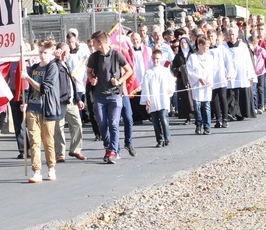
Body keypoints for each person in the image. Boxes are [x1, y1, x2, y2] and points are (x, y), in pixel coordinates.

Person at [87, 31, 132, 164]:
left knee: (113, 123)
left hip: (114, 95)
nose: (92, 45)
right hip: (99, 96)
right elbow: (89, 71)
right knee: (102, 124)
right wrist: (92, 79)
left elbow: (129, 70)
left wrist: (119, 81)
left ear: (100, 42)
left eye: (94, 42)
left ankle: (113, 151)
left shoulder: (117, 55)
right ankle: (108, 147)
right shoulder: (94, 57)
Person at [21, 40, 61, 182]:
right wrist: (24, 102)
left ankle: (51, 168)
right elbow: (30, 90)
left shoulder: (53, 68)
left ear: (50, 53)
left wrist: (28, 78)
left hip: (47, 109)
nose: (42, 55)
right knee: (34, 141)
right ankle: (36, 171)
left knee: (48, 140)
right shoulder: (34, 68)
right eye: (40, 52)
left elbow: (44, 88)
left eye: (45, 53)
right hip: (33, 107)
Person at [53, 43, 86, 162]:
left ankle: (75, 149)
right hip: (60, 101)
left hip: (71, 101)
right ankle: (59, 153)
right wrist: (56, 60)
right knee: (58, 128)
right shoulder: (54, 65)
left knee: (77, 124)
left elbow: (71, 83)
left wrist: (78, 99)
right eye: (66, 51)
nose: (68, 54)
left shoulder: (66, 64)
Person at [140, 49, 175, 147]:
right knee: (155, 121)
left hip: (162, 99)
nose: (156, 61)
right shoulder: (148, 72)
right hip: (153, 100)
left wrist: (170, 89)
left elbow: (171, 82)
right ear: (151, 59)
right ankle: (159, 139)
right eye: (154, 59)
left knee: (163, 118)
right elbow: (145, 87)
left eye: (158, 59)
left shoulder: (165, 71)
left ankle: (167, 137)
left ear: (161, 59)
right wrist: (147, 99)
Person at [186, 36, 215, 135]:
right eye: (206, 46)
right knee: (197, 105)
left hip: (206, 85)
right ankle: (198, 123)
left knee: (206, 106)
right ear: (200, 45)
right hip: (197, 85)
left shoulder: (210, 57)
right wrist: (198, 78)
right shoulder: (193, 57)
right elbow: (190, 71)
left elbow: (212, 71)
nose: (208, 48)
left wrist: (209, 81)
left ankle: (207, 126)